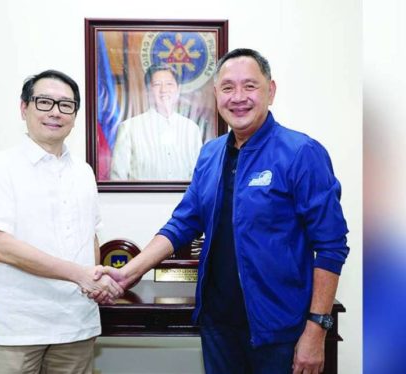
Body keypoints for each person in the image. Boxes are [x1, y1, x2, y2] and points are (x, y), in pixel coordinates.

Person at [94, 49, 350, 373]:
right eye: (228, 87)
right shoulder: (210, 154)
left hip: (280, 332)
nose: (238, 97)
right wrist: (129, 272)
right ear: (216, 95)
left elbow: (331, 246)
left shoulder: (302, 153)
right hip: (218, 327)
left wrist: (316, 328)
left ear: (270, 91)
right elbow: (182, 223)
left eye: (250, 86)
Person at [0, 70, 123, 374]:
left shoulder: (84, 172)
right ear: (24, 108)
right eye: (44, 102)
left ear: (75, 116)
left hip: (75, 320)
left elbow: (89, 236)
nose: (55, 111)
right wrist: (80, 275)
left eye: (66, 105)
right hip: (16, 324)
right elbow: (0, 247)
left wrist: (92, 283)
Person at [109, 63, 202, 180]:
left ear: (178, 90)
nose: (164, 90)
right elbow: (117, 178)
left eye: (169, 84)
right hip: (141, 198)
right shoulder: (129, 128)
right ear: (148, 91)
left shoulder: (191, 129)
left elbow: (198, 176)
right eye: (157, 84)